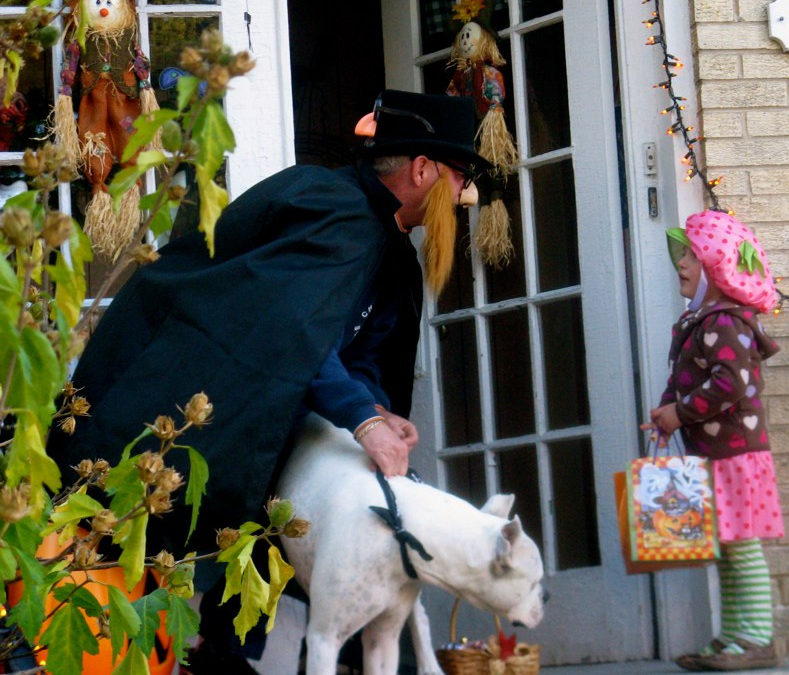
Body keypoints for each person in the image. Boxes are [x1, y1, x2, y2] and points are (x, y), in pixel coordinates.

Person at [46, 89, 490, 673]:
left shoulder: (387, 248)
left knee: (306, 518)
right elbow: (287, 329)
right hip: (188, 390)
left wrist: (376, 408)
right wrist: (360, 418)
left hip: (275, 410)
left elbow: (350, 348)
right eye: (460, 177)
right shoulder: (328, 206)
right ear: (423, 169)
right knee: (141, 552)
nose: (465, 194)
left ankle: (237, 653)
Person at [642, 209, 783, 672]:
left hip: (736, 456)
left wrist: (679, 413)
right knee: (725, 548)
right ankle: (733, 638)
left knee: (741, 547)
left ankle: (757, 639)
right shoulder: (699, 323)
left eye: (692, 256)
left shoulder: (724, 323)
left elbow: (731, 385)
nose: (680, 263)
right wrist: (667, 413)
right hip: (714, 455)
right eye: (680, 255)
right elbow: (683, 380)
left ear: (718, 268)